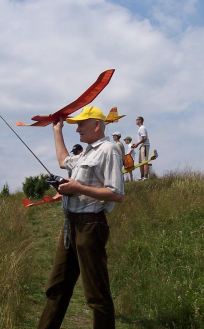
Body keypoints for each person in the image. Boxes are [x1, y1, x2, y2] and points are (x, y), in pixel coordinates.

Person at [38, 106, 124, 329]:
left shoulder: (109, 149)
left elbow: (116, 194)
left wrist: (78, 188)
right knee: (56, 287)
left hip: (90, 226)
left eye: (81, 124)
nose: (77, 129)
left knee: (97, 294)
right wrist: (57, 130)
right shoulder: (86, 151)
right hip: (70, 225)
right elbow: (63, 161)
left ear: (96, 125)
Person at [132, 116, 150, 180]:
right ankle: (142, 176)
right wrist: (137, 144)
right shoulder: (140, 128)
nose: (136, 121)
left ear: (140, 120)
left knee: (144, 161)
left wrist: (137, 143)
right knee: (140, 162)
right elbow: (142, 139)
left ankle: (146, 177)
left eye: (137, 120)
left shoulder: (142, 128)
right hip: (141, 146)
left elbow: (144, 138)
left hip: (144, 146)